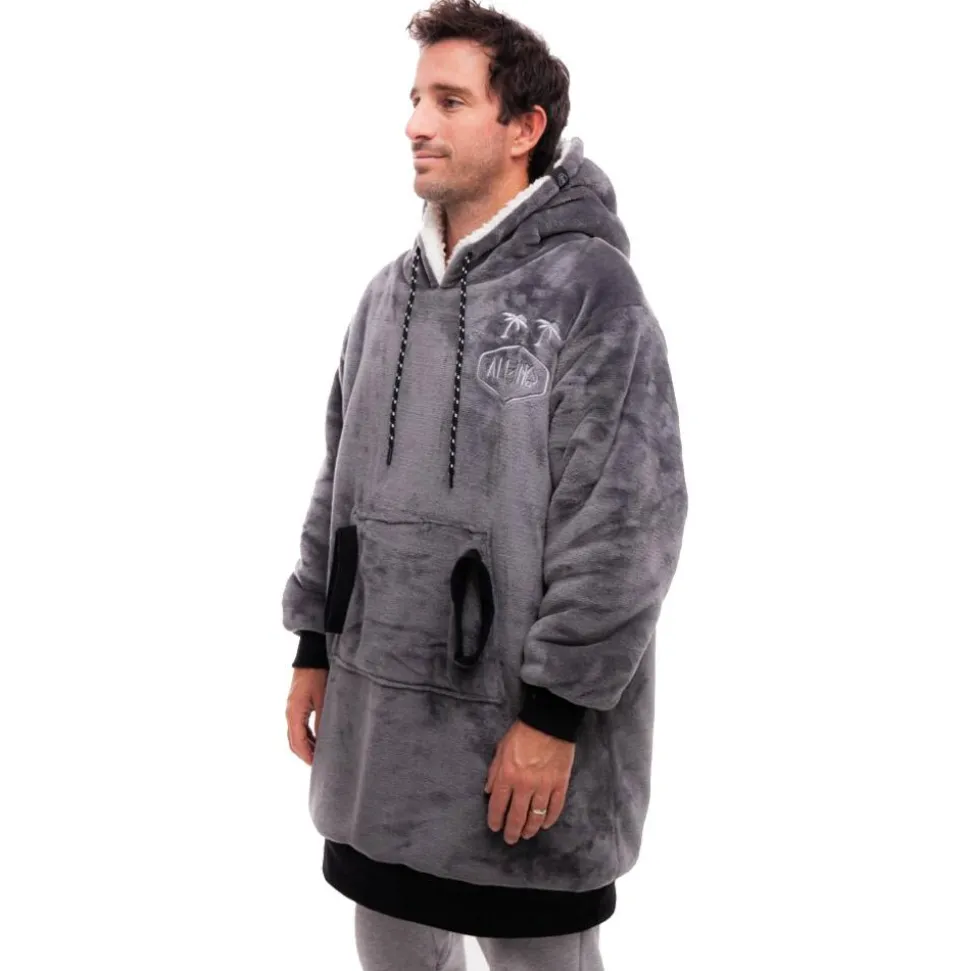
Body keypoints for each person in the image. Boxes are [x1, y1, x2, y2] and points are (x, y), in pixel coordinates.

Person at [282, 1, 689, 967]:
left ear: (523, 127)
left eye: (449, 100)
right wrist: (312, 644)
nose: (415, 124)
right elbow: (338, 481)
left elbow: (626, 526)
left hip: (519, 732)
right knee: (389, 936)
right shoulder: (385, 296)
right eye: (415, 98)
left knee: (537, 950)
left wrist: (553, 716)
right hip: (379, 730)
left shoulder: (590, 292)